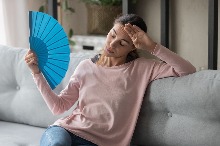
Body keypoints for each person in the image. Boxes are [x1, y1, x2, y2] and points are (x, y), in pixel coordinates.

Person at [24, 14, 196, 146]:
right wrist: (37, 73)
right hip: (66, 131)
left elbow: (187, 70)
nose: (112, 45)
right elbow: (58, 106)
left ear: (133, 47)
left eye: (122, 43)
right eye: (112, 35)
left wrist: (152, 47)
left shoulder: (143, 68)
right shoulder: (85, 67)